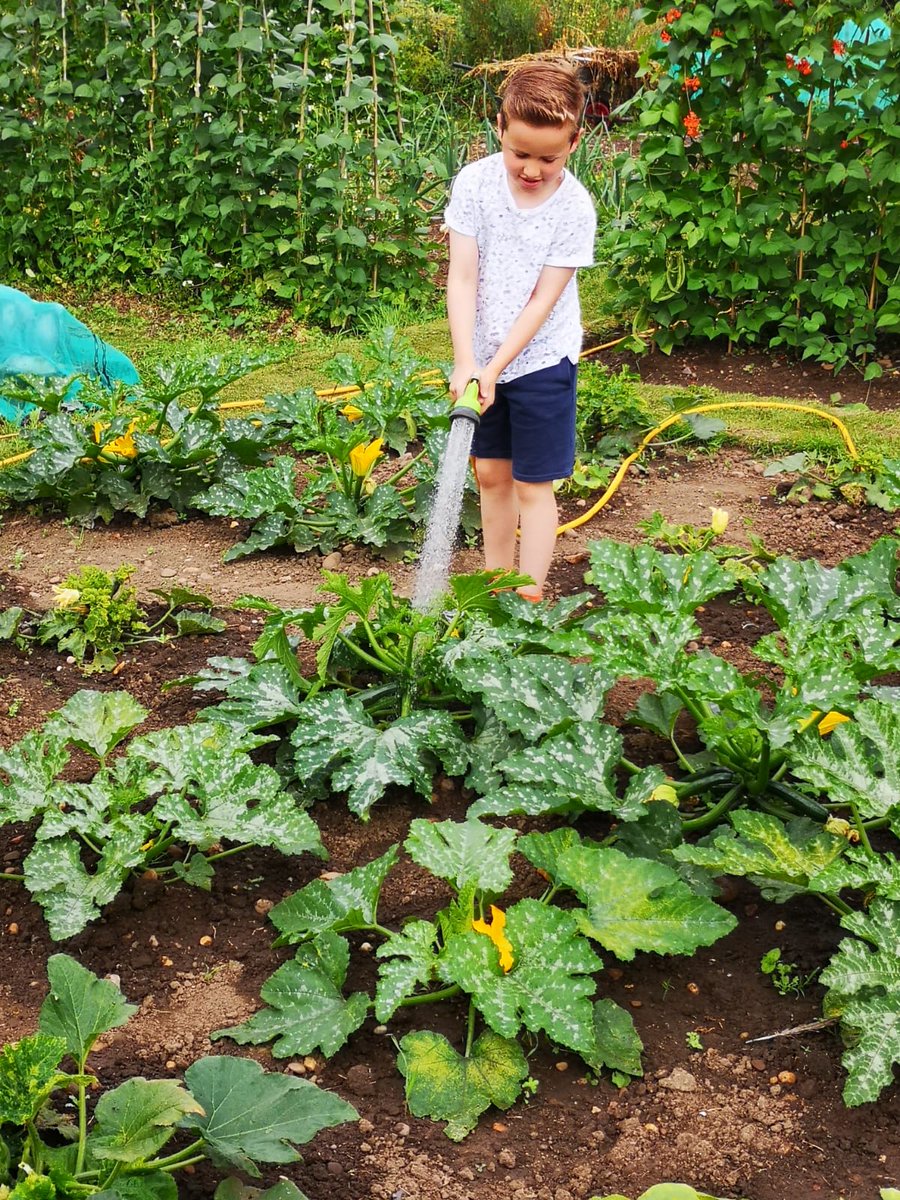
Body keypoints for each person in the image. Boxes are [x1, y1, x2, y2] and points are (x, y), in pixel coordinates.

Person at [445, 59, 597, 602]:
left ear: (574, 142)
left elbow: (541, 301)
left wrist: (497, 366)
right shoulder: (475, 184)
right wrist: (468, 361)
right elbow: (462, 276)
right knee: (490, 474)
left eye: (548, 158)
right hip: (482, 355)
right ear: (499, 128)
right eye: (520, 154)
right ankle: (494, 583)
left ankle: (528, 595)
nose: (532, 169)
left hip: (541, 360)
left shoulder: (575, 208)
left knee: (535, 483)